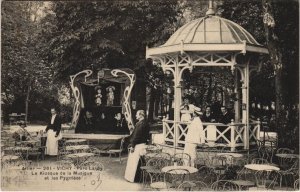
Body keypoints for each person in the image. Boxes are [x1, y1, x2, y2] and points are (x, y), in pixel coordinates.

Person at [124, 110, 150, 183]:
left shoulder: (140, 124)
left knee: (134, 162)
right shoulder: (146, 123)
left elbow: (136, 136)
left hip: (138, 146)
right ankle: (140, 178)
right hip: (143, 145)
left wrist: (132, 145)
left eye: (137, 114)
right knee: (140, 161)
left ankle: (134, 178)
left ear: (141, 115)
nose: (136, 116)